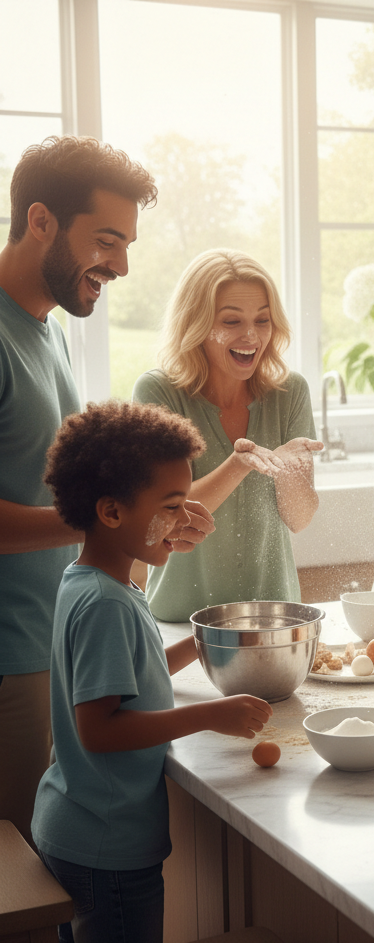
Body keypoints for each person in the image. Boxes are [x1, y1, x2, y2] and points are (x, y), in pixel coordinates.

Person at [0, 135, 212, 844]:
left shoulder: (47, 330)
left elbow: (62, 485)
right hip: (9, 660)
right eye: (107, 241)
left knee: (59, 873)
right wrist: (106, 525)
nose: (120, 266)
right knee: (18, 896)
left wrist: (142, 525)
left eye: (127, 245)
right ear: (41, 222)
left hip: (53, 648)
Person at [32, 399, 272, 943]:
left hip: (74, 825)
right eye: (171, 507)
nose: (187, 520)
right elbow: (101, 728)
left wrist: (204, 644)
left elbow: (129, 681)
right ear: (112, 513)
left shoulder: (96, 581)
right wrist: (211, 715)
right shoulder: (105, 604)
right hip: (106, 850)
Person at [133, 249, 323, 621]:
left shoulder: (290, 392)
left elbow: (299, 519)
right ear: (197, 323)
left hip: (273, 615)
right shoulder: (158, 393)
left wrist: (288, 471)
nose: (251, 336)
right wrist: (238, 465)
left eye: (262, 320)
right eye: (232, 321)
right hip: (179, 619)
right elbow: (160, 520)